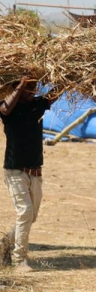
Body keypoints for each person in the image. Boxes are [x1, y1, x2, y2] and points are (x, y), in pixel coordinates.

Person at [0, 77, 55, 272]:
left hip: (36, 172)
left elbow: (56, 94)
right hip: (15, 170)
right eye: (28, 87)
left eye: (34, 87)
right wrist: (21, 85)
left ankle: (4, 245)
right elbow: (4, 109)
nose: (32, 91)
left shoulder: (37, 106)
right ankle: (19, 260)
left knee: (31, 216)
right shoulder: (9, 110)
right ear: (17, 88)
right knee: (24, 212)